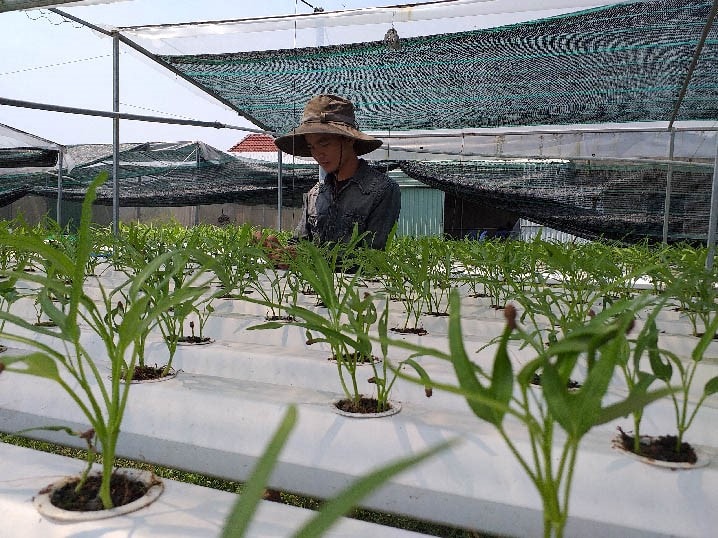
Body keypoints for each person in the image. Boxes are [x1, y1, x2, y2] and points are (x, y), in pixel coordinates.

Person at [274, 94, 401, 250]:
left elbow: (372, 257)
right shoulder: (315, 195)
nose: (318, 154)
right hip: (312, 275)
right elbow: (300, 243)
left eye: (324, 144)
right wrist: (279, 252)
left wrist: (307, 258)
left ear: (349, 139)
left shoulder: (381, 190)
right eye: (311, 147)